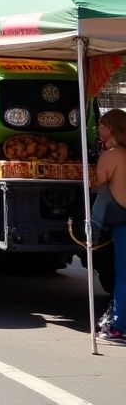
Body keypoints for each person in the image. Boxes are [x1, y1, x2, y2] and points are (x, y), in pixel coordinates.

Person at [95, 108, 126, 343]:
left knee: (123, 276)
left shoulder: (111, 156)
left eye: (102, 125)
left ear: (111, 129)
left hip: (122, 222)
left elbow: (98, 181)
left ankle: (119, 325)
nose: (98, 128)